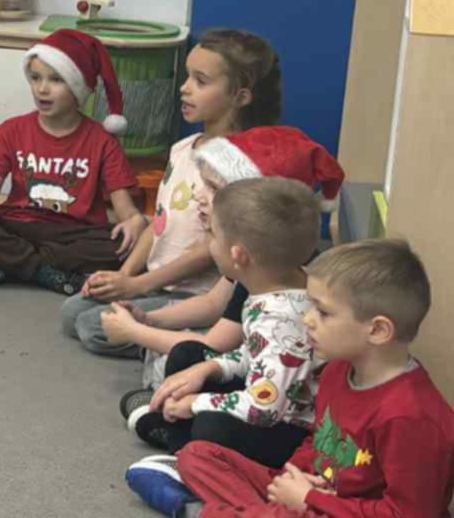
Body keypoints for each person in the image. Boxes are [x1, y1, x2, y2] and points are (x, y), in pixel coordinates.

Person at [174, 240, 454, 518]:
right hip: (316, 499)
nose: (307, 319)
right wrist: (295, 476)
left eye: (322, 312)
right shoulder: (338, 371)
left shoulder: (412, 417)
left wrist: (310, 500)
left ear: (377, 330)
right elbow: (316, 441)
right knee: (197, 455)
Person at [105, 124, 346, 422]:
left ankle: (169, 416)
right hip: (255, 372)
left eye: (214, 189)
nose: (200, 197)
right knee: (178, 353)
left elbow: (218, 346)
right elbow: (215, 306)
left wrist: (134, 332)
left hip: (272, 407)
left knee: (189, 378)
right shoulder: (263, 260)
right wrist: (147, 320)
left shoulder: (271, 278)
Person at [69, 29, 281, 356]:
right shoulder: (182, 149)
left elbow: (212, 247)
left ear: (241, 97)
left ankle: (188, 339)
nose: (184, 88)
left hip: (196, 295)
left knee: (91, 326)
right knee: (71, 313)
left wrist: (138, 286)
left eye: (201, 81)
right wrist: (124, 277)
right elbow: (159, 221)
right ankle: (159, 331)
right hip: (155, 282)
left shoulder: (238, 166)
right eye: (187, 76)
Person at [122, 178, 321, 468]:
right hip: (268, 394)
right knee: (189, 355)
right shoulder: (278, 287)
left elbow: (264, 408)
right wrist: (212, 367)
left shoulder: (281, 317)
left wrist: (196, 404)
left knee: (211, 426)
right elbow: (256, 354)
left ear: (238, 255)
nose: (210, 244)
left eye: (213, 236)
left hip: (289, 427)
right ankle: (179, 434)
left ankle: (187, 460)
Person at [0, 28, 145, 293]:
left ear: (79, 88)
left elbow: (125, 212)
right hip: (19, 225)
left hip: (75, 233)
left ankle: (11, 264)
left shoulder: (103, 141)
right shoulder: (11, 130)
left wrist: (134, 220)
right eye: (35, 78)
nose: (42, 89)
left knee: (132, 241)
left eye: (56, 79)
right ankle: (48, 273)